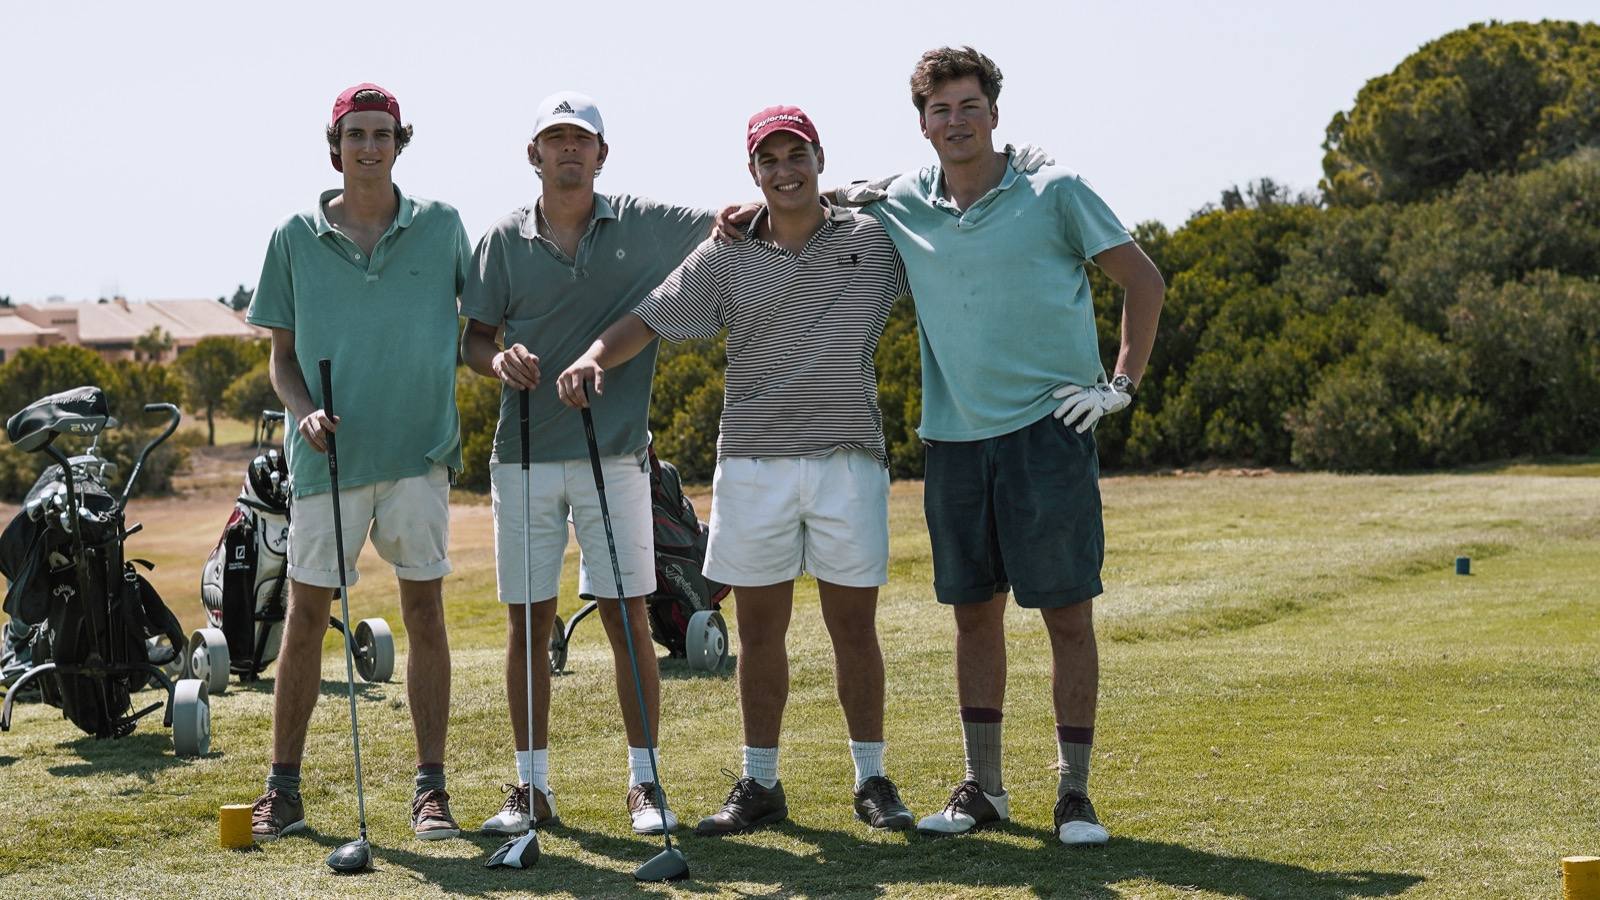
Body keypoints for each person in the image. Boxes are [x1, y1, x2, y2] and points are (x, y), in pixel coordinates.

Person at [557, 106, 917, 834]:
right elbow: (654, 315)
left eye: (797, 156)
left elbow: (927, 187)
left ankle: (873, 778)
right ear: (752, 170)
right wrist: (596, 354)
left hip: (848, 459)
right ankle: (759, 783)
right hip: (753, 463)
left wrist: (842, 195)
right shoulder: (725, 254)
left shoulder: (876, 242)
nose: (784, 171)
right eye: (769, 160)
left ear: (819, 157)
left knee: (855, 629)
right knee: (758, 632)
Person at [847, 46, 1165, 846]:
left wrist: (1119, 385)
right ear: (922, 123)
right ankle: (984, 789)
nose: (956, 122)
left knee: (1066, 615)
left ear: (995, 111)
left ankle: (1075, 795)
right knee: (973, 619)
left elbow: (1144, 280)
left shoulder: (1054, 190)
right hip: (953, 441)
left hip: (1048, 433)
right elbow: (811, 201)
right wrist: (745, 214)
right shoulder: (901, 201)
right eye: (940, 110)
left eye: (969, 106)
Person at [460, 91, 716, 837]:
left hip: (617, 454)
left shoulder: (645, 222)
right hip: (525, 455)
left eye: (582, 140)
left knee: (626, 614)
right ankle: (530, 788)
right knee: (529, 623)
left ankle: (645, 784)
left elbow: (728, 225)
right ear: (532, 153)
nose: (569, 149)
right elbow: (473, 337)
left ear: (603, 155)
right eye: (555, 138)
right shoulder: (501, 240)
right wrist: (496, 359)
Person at [246, 83, 471, 843]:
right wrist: (302, 407)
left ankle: (431, 791)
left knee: (424, 614)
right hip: (326, 458)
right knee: (305, 617)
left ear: (400, 142)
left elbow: (478, 324)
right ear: (334, 145)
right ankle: (283, 790)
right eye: (355, 135)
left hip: (418, 453)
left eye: (382, 134)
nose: (369, 147)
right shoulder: (293, 236)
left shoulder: (441, 227)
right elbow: (281, 357)